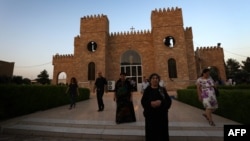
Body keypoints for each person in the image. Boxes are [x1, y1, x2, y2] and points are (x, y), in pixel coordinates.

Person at [141, 73, 172, 141]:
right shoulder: (147, 90)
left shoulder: (162, 90)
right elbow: (143, 102)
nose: (155, 79)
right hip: (151, 118)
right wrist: (150, 103)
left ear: (158, 80)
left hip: (161, 117)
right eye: (153, 78)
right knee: (151, 134)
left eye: (156, 78)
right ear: (150, 80)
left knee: (162, 134)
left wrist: (161, 103)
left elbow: (168, 101)